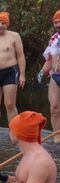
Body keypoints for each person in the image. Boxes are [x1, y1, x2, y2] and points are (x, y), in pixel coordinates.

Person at [39, 10, 60, 143]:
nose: (58, 24)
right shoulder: (53, 38)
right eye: (56, 22)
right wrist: (42, 72)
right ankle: (57, 136)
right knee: (54, 108)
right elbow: (49, 59)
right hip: (55, 76)